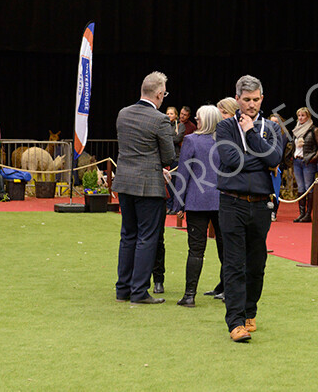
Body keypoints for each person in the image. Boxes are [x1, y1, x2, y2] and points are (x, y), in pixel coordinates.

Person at [215, 75, 282, 342]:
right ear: (237, 100)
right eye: (246, 100)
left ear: (261, 99)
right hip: (232, 202)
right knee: (234, 264)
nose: (251, 105)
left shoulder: (272, 128)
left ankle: (250, 310)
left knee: (257, 264)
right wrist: (262, 159)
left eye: (255, 100)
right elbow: (231, 161)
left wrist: (252, 133)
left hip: (262, 205)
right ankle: (235, 322)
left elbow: (276, 158)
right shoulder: (225, 128)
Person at [113, 72, 176, 305]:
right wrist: (159, 165)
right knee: (147, 238)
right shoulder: (159, 119)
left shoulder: (123, 114)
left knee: (128, 236)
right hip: (149, 186)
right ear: (159, 94)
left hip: (125, 183)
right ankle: (139, 291)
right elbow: (168, 156)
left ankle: (123, 289)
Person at [172, 105, 224, 307]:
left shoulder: (192, 140)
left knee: (195, 250)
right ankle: (229, 292)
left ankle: (189, 295)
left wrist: (178, 203)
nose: (196, 120)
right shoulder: (225, 142)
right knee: (225, 249)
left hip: (197, 201)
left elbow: (183, 174)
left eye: (199, 118)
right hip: (221, 200)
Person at [291, 107, 318, 223]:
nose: (300, 118)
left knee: (308, 187)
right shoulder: (296, 130)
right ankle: (301, 213)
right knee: (300, 188)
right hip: (297, 161)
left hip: (308, 162)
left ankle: (308, 214)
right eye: (299, 115)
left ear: (308, 117)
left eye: (303, 115)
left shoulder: (314, 130)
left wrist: (313, 158)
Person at [268, 113, 294, 222]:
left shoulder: (285, 136)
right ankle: (265, 212)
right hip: (265, 166)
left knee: (275, 191)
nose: (274, 124)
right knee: (265, 190)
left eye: (277, 122)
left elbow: (289, 151)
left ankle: (274, 212)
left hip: (278, 166)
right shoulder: (264, 134)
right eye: (272, 122)